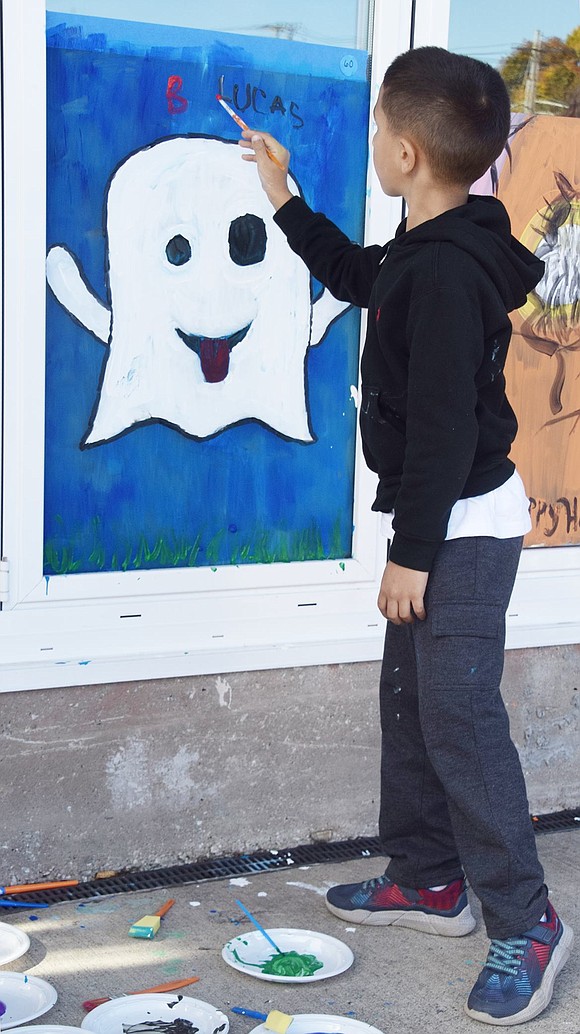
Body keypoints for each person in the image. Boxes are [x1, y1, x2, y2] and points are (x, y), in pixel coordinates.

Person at [239, 46, 573, 1025]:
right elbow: (353, 272)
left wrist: (411, 554)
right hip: (443, 517)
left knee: (460, 714)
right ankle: (429, 877)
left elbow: (442, 431)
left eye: (382, 128)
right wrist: (285, 194)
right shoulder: (437, 246)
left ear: (407, 151)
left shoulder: (444, 272)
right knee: (413, 700)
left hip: (459, 526)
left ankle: (525, 916)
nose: (376, 140)